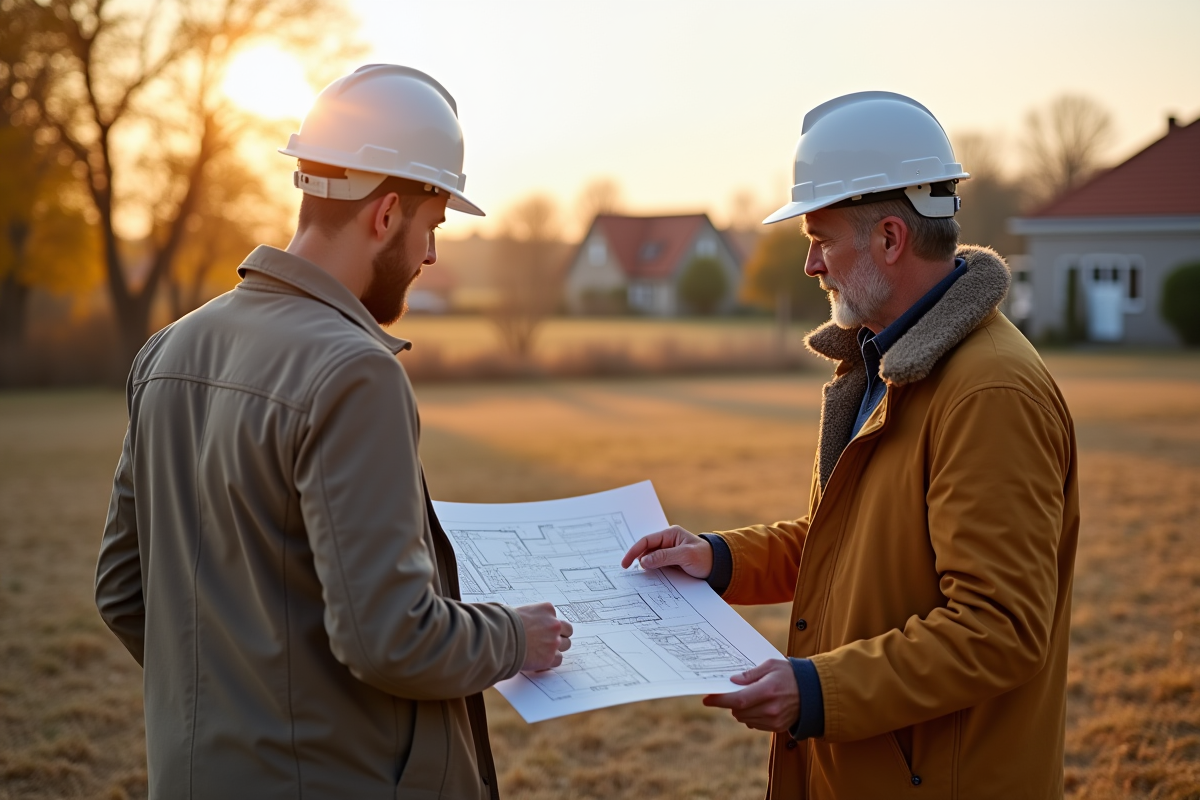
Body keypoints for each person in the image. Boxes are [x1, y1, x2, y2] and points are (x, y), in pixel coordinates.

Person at [95, 64, 571, 800]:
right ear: (386, 214)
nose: (431, 256)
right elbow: (392, 637)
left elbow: (124, 591)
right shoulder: (354, 372)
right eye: (432, 226)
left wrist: (233, 707)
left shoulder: (168, 351)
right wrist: (515, 637)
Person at [623, 92, 1078, 798]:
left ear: (891, 239)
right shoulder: (880, 363)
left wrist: (815, 690)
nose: (811, 264)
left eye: (821, 238)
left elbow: (998, 630)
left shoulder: (988, 393)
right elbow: (845, 548)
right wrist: (716, 558)